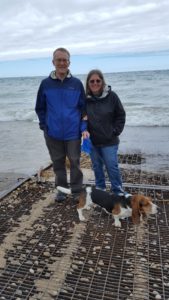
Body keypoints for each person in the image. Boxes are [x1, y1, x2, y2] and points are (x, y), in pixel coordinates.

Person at [35, 47, 88, 201]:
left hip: (73, 132)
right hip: (53, 133)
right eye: (59, 60)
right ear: (53, 62)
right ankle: (62, 191)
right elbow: (40, 107)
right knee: (58, 163)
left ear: (69, 62)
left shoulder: (76, 83)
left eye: (65, 60)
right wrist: (45, 126)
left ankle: (77, 190)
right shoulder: (45, 84)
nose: (62, 63)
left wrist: (83, 128)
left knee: (75, 162)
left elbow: (83, 109)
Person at [84, 69, 130, 197]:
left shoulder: (112, 96)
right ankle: (100, 189)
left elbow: (121, 115)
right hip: (93, 141)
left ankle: (118, 192)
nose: (95, 83)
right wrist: (84, 130)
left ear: (102, 81)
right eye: (92, 81)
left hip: (109, 141)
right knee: (97, 167)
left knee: (112, 167)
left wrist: (115, 131)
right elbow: (82, 117)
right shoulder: (85, 99)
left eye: (98, 80)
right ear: (88, 83)